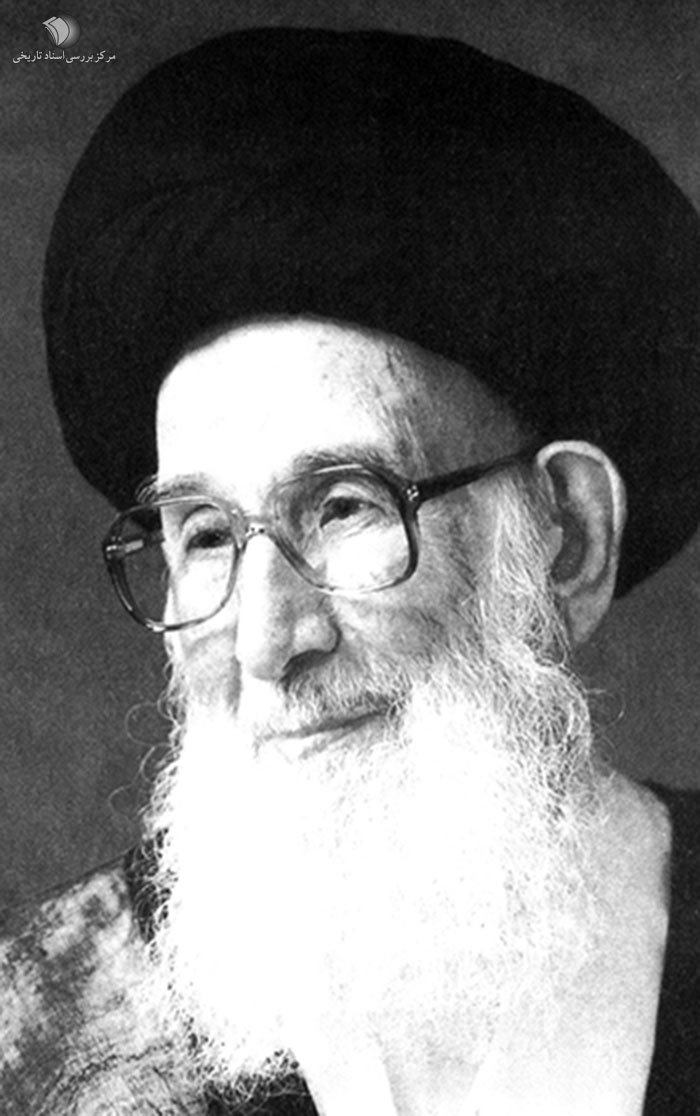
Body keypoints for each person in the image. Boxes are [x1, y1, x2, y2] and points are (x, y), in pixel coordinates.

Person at [2, 26, 700, 1116]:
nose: (265, 640)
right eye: (204, 535)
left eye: (342, 506)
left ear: (565, 537)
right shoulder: (38, 1030)